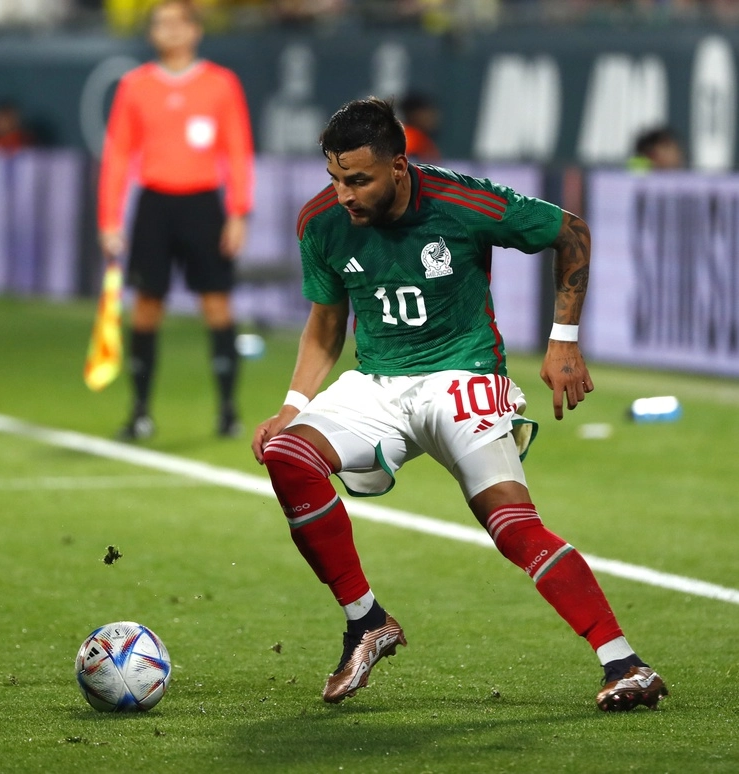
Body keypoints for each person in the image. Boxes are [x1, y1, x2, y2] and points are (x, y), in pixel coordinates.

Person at [251, 97, 667, 712]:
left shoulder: (463, 203)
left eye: (358, 180)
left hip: (461, 375)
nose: (343, 194)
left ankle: (624, 663)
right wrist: (292, 405)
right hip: (379, 384)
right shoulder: (322, 222)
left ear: (399, 165)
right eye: (335, 178)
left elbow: (571, 232)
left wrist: (564, 343)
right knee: (286, 453)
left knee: (510, 526)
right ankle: (366, 621)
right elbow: (325, 323)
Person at [98, 0, 254, 440]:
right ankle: (140, 411)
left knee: (218, 305)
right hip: (155, 206)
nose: (168, 30)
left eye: (176, 22)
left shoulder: (222, 84)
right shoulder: (135, 85)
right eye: (160, 23)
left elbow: (238, 151)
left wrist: (239, 211)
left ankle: (228, 410)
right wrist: (110, 219)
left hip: (204, 204)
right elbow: (117, 156)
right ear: (152, 33)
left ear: (194, 30)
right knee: (147, 308)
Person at [399, 91, 441, 161]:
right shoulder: (409, 139)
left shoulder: (422, 138)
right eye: (427, 112)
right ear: (413, 114)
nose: (432, 117)